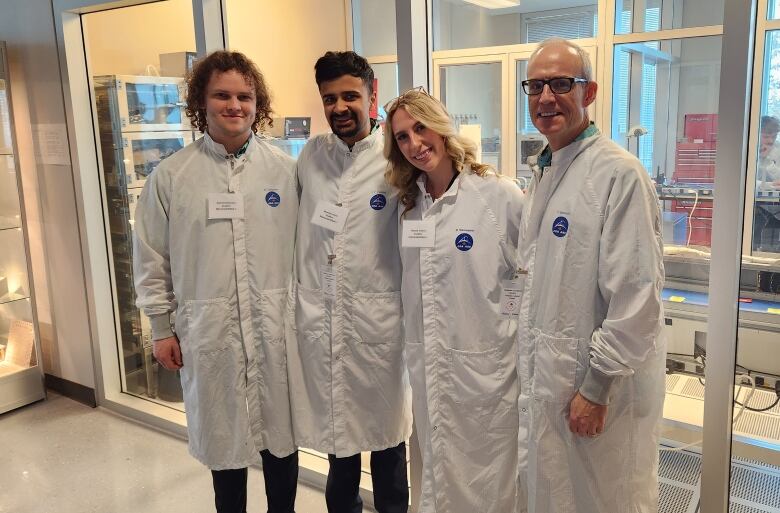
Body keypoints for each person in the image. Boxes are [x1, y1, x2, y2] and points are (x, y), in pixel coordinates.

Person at [133, 51, 299, 513]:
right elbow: (151, 257)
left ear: (257, 103)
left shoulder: (284, 171)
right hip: (209, 333)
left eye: (245, 96)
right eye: (222, 95)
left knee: (281, 444)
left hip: (274, 331)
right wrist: (161, 328)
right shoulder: (172, 177)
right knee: (224, 447)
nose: (235, 105)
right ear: (201, 102)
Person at [515, 38, 666, 512]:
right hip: (551, 383)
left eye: (561, 84)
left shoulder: (620, 175)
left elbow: (637, 299)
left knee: (604, 499)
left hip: (598, 391)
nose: (546, 98)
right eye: (535, 86)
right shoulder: (545, 171)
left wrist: (596, 387)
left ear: (591, 91)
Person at [384, 88, 524, 513]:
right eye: (403, 137)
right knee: (434, 473)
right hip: (430, 371)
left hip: (488, 372)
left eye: (420, 128)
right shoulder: (409, 208)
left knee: (488, 480)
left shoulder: (496, 194)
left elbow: (527, 277)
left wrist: (506, 327)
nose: (414, 144)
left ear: (442, 128)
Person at [286, 51, 412, 513]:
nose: (339, 107)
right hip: (325, 322)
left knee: (387, 446)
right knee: (340, 449)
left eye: (350, 96)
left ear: (372, 93)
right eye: (329, 98)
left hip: (379, 324)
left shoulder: (395, 156)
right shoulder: (311, 155)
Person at [758, 115, 780, 189]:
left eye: (774, 136)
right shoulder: (748, 148)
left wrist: (768, 161)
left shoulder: (778, 148)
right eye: (766, 137)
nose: (770, 141)